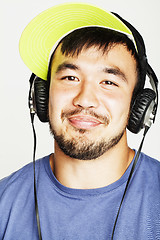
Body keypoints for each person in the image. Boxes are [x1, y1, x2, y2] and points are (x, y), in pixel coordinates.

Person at [0, 3, 159, 240]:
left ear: (138, 106)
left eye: (109, 82)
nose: (85, 100)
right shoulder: (4, 203)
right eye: (70, 77)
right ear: (42, 96)